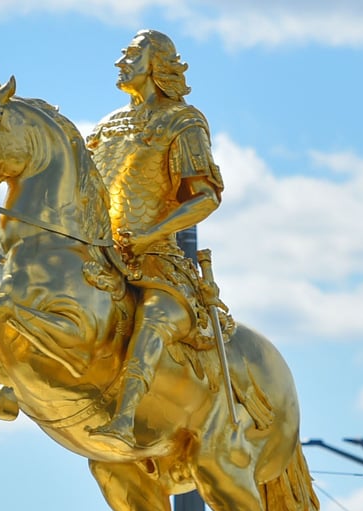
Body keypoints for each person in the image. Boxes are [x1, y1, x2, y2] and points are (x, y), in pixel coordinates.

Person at [86, 29, 224, 447]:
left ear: (156, 63)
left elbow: (205, 198)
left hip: (156, 258)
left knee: (155, 318)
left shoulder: (183, 121)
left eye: (130, 53)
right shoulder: (106, 126)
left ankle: (125, 418)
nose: (120, 61)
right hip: (99, 254)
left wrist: (151, 235)